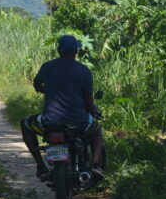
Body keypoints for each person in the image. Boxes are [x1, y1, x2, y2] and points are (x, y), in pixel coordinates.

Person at [21, 35, 104, 180]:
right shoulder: (84, 71)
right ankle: (96, 165)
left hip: (49, 122)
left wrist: (46, 90)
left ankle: (41, 165)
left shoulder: (47, 67)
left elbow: (36, 84)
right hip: (79, 122)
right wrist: (94, 110)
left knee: (26, 123)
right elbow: (88, 101)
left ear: (59, 50)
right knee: (97, 130)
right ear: (76, 51)